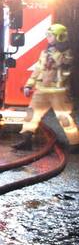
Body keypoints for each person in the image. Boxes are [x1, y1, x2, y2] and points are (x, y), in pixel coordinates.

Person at [13, 22, 79, 150]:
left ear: (59, 37)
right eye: (47, 35)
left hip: (59, 92)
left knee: (64, 118)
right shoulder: (45, 52)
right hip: (41, 90)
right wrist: (29, 85)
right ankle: (26, 140)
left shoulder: (67, 53)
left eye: (51, 35)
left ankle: (75, 144)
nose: (48, 38)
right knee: (31, 115)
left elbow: (63, 63)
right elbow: (38, 70)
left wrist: (54, 52)